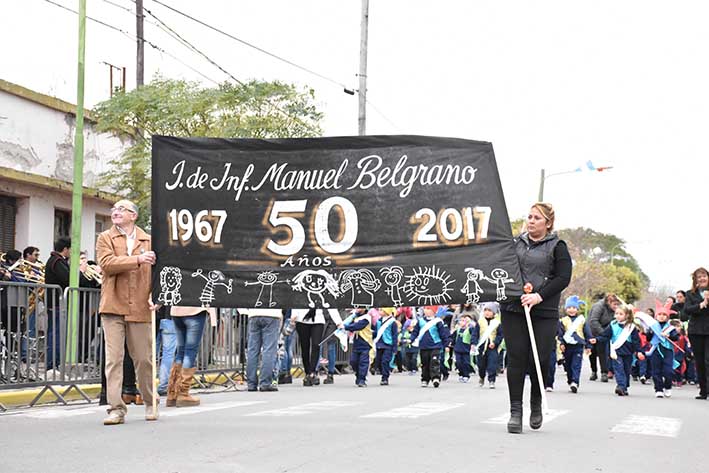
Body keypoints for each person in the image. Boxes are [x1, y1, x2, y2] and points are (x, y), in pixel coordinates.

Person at [501, 203, 572, 434]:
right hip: (514, 307)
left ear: (547, 223)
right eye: (529, 216)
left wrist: (539, 295)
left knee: (539, 360)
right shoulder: (514, 243)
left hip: (543, 311)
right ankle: (515, 411)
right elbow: (503, 269)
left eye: (536, 218)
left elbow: (563, 277)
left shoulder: (557, 246)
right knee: (516, 358)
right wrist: (520, 288)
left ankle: (536, 403)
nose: (531, 221)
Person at [96, 199, 158, 425]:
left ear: (134, 215)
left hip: (141, 305)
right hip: (113, 305)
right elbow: (107, 263)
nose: (116, 212)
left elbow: (160, 273)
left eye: (122, 209)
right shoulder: (105, 238)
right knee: (114, 360)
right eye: (114, 209)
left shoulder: (150, 240)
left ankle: (151, 401)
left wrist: (157, 296)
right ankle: (116, 408)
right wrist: (138, 259)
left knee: (143, 359)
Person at [590, 304, 644, 396]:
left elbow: (636, 341)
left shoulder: (631, 327)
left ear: (627, 315)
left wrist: (639, 351)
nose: (618, 316)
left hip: (628, 352)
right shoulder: (613, 325)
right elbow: (606, 335)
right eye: (617, 313)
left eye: (621, 314)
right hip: (616, 351)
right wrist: (597, 339)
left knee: (626, 370)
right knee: (619, 369)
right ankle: (620, 386)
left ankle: (625, 386)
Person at [166, 306, 216, 404]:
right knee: (190, 352)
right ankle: (183, 393)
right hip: (195, 310)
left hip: (177, 310)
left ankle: (172, 393)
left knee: (180, 351)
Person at [291, 308, 343, 386]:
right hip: (302, 319)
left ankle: (312, 372)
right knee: (305, 347)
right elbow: (297, 300)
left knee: (316, 345)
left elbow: (329, 303)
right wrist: (294, 315)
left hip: (318, 320)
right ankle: (307, 372)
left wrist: (338, 322)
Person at [241, 308, 282, 392]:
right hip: (272, 314)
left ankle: (251, 383)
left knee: (252, 350)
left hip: (254, 313)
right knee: (269, 350)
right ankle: (265, 383)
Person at [683, 267, 709, 400]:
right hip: (696, 331)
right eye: (699, 277)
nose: (702, 278)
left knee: (708, 360)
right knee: (699, 362)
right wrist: (701, 304)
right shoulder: (690, 294)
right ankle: (703, 391)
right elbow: (687, 310)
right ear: (695, 280)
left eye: (704, 276)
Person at [411, 305, 450, 388]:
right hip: (424, 345)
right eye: (425, 308)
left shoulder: (438, 321)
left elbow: (442, 333)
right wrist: (412, 339)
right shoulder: (420, 321)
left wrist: (446, 343)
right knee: (425, 363)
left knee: (434, 361)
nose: (426, 310)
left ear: (434, 311)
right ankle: (425, 379)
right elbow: (415, 331)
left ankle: (436, 377)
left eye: (429, 309)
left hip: (435, 345)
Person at [557, 295, 589, 393]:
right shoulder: (563, 321)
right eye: (569, 308)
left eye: (574, 308)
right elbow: (560, 333)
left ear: (577, 309)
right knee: (568, 365)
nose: (572, 310)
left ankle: (575, 382)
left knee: (576, 364)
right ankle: (570, 379)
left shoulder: (582, 320)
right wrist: (561, 343)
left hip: (578, 345)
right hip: (567, 346)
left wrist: (589, 345)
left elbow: (587, 332)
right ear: (566, 309)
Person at [648, 301, 679, 398]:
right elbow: (648, 338)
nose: (661, 316)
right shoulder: (653, 326)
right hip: (655, 350)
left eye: (664, 315)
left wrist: (669, 335)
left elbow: (676, 337)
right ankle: (658, 389)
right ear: (656, 316)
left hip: (667, 351)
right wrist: (649, 332)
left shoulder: (670, 328)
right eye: (659, 314)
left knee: (668, 371)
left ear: (667, 317)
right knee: (656, 371)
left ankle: (668, 387)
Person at [587, 293, 621, 382]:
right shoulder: (599, 306)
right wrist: (603, 333)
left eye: (618, 304)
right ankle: (594, 371)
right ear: (609, 302)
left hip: (605, 330)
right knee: (593, 352)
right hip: (593, 330)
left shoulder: (615, 310)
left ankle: (604, 372)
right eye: (615, 304)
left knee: (603, 352)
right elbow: (593, 321)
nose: (616, 307)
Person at [343, 308, 373, 387]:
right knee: (353, 362)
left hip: (365, 343)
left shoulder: (366, 318)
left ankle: (362, 379)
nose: (357, 308)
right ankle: (358, 374)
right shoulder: (354, 317)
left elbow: (357, 326)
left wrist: (345, 326)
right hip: (356, 343)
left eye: (360, 307)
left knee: (363, 362)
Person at [477, 302, 503, 389]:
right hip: (481, 347)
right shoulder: (480, 322)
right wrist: (473, 343)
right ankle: (481, 377)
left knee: (492, 364)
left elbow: (500, 335)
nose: (487, 312)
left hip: (492, 347)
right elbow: (475, 334)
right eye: (485, 310)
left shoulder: (497, 323)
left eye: (489, 310)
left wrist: (495, 343)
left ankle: (491, 380)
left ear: (494, 312)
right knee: (481, 365)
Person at [373, 307, 398, 386]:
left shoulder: (392, 322)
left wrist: (394, 347)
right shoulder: (378, 321)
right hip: (379, 343)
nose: (380, 312)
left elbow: (394, 335)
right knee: (379, 360)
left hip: (388, 344)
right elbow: (376, 332)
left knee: (385, 361)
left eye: (381, 310)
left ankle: (385, 377)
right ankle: (381, 371)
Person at [452, 313, 477, 382]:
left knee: (466, 363)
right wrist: (450, 343)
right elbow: (453, 338)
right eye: (460, 320)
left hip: (466, 349)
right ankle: (461, 374)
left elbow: (473, 337)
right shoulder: (457, 329)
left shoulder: (470, 329)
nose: (461, 322)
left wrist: (473, 344)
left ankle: (466, 375)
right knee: (458, 363)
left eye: (463, 321)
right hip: (458, 349)